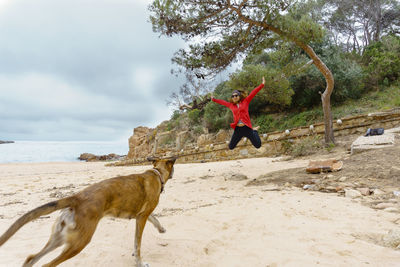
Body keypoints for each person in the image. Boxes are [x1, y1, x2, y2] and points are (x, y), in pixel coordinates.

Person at [211, 77, 265, 150]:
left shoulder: (246, 101)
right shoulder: (231, 105)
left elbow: (253, 93)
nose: (234, 97)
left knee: (258, 145)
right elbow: (222, 102)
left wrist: (262, 84)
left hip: (246, 128)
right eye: (233, 96)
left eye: (236, 95)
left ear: (239, 96)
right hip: (238, 129)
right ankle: (253, 130)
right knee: (231, 147)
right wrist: (214, 99)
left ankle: (254, 131)